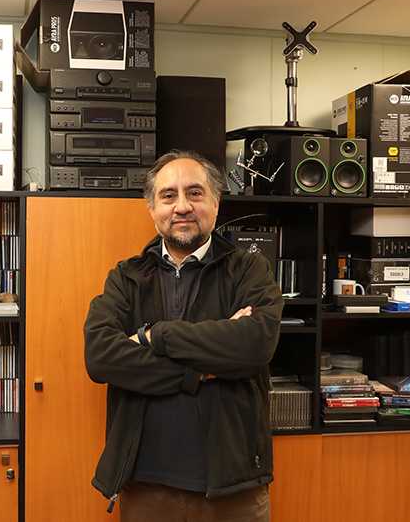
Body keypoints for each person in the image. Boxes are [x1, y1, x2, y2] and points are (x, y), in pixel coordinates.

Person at [83, 149, 284, 522]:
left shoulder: (249, 270)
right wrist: (201, 370)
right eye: (168, 195)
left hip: (233, 488)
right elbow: (100, 357)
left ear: (216, 202)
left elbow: (254, 345)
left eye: (195, 193)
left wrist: (155, 336)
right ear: (152, 208)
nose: (182, 206)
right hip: (145, 487)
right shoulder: (126, 278)